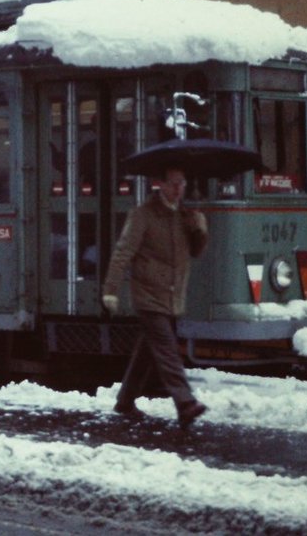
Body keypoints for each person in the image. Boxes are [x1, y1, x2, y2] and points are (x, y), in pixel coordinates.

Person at [101, 165, 209, 428]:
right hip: (148, 295)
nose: (178, 189)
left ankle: (125, 401)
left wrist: (200, 229)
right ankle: (185, 403)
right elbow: (122, 252)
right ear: (160, 184)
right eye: (173, 183)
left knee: (147, 352)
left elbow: (195, 252)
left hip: (172, 297)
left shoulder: (184, 216)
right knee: (167, 349)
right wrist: (110, 291)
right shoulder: (143, 215)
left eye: (181, 183)